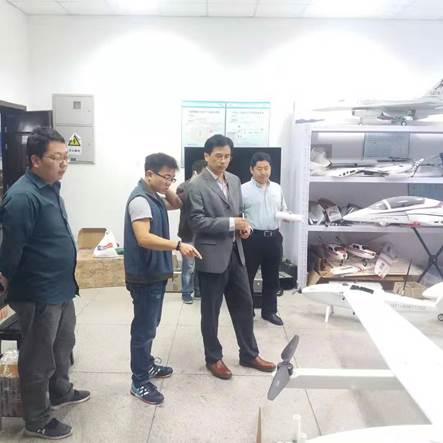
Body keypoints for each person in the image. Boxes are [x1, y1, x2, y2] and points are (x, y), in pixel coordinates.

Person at [0, 127, 90, 440]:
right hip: (38, 291)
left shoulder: (50, 187)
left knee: (64, 343)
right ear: (35, 160)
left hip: (61, 286)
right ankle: (36, 418)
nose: (63, 163)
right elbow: (11, 250)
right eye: (56, 157)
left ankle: (61, 390)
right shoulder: (22, 197)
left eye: (66, 157)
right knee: (38, 356)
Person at [187, 134, 275, 380]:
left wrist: (243, 228)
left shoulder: (235, 180)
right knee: (211, 312)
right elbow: (196, 221)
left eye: (227, 156)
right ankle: (213, 358)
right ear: (206, 156)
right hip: (211, 256)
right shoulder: (196, 185)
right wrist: (231, 223)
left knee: (245, 306)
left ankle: (249, 354)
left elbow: (238, 212)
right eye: (218, 156)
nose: (223, 161)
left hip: (236, 254)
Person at [124, 153, 201, 405]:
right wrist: (178, 245)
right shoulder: (140, 201)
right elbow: (143, 238)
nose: (169, 182)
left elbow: (177, 204)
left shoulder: (153, 197)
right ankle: (139, 381)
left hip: (154, 272)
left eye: (172, 178)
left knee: (151, 323)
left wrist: (164, 185)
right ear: (148, 174)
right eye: (165, 177)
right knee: (144, 328)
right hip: (144, 275)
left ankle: (146, 364)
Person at [241, 152, 288, 326]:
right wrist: (243, 228)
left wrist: (288, 216)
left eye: (266, 168)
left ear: (270, 168)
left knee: (272, 277)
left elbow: (283, 209)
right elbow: (237, 213)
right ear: (251, 170)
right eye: (259, 168)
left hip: (274, 238)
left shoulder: (277, 188)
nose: (263, 172)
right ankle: (247, 312)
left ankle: (270, 312)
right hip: (252, 239)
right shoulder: (243, 189)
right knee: (247, 277)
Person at [176, 159, 207, 304]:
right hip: (188, 231)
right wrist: (194, 184)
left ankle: (198, 289)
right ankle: (186, 292)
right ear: (195, 173)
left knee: (201, 262)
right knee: (188, 264)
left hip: (203, 231)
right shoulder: (183, 187)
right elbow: (182, 202)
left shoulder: (207, 187)